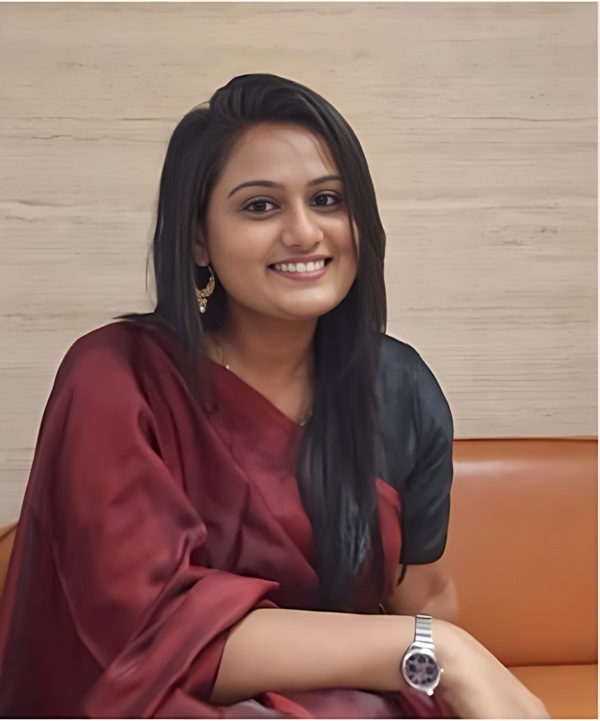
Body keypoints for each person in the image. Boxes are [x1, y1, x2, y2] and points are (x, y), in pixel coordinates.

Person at [0, 74, 548, 719]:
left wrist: (458, 670)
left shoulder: (398, 386)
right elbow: (151, 634)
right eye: (260, 206)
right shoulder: (115, 376)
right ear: (198, 239)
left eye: (327, 199)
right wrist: (434, 650)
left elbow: (423, 599)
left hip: (347, 698)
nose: (304, 232)